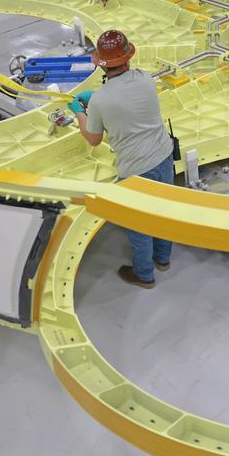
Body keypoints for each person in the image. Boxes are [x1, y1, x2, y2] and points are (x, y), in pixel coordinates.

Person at [71, 30, 176, 289]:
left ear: (100, 63)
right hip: (164, 155)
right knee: (163, 212)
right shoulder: (145, 79)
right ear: (128, 58)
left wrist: (79, 113)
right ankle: (163, 259)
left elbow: (93, 139)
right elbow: (128, 102)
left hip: (137, 170)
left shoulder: (100, 102)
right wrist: (96, 99)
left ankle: (144, 274)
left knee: (139, 223)